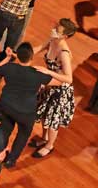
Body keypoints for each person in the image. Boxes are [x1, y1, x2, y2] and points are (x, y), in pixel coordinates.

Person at [0, 43, 58, 169]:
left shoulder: (10, 67)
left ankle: (0, 154)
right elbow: (59, 82)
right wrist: (48, 71)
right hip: (26, 112)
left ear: (18, 56)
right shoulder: (37, 74)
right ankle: (11, 161)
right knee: (23, 134)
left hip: (6, 106)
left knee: (4, 131)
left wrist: (8, 57)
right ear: (31, 58)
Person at [31, 19, 77, 159]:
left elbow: (69, 78)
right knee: (45, 115)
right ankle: (44, 139)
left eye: (58, 30)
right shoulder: (52, 40)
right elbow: (37, 48)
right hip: (49, 85)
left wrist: (48, 72)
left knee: (53, 121)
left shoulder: (64, 53)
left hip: (60, 91)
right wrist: (21, 53)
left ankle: (49, 145)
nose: (54, 30)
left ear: (65, 36)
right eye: (56, 27)